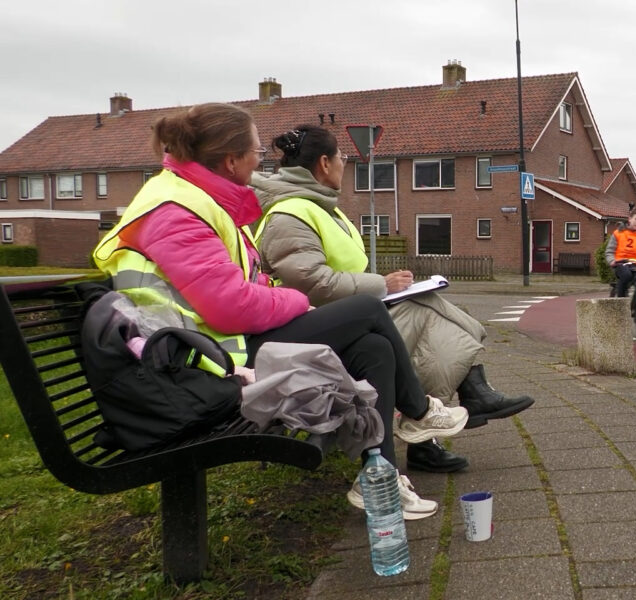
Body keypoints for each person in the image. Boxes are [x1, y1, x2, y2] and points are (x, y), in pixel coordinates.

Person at [92, 103, 464, 518]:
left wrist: (273, 293)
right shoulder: (175, 211)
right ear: (231, 160)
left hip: (215, 347)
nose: (261, 162)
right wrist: (297, 299)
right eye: (256, 152)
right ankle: (418, 413)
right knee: (366, 311)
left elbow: (239, 287)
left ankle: (378, 476)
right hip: (200, 366)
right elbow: (230, 306)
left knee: (373, 347)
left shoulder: (197, 200)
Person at [251, 125, 535, 473]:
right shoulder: (289, 214)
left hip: (344, 316)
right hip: (323, 327)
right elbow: (311, 283)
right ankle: (455, 403)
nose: (344, 163)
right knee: (425, 318)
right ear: (325, 163)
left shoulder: (322, 208)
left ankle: (455, 406)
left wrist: (383, 286)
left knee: (425, 310)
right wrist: (380, 284)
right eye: (342, 157)